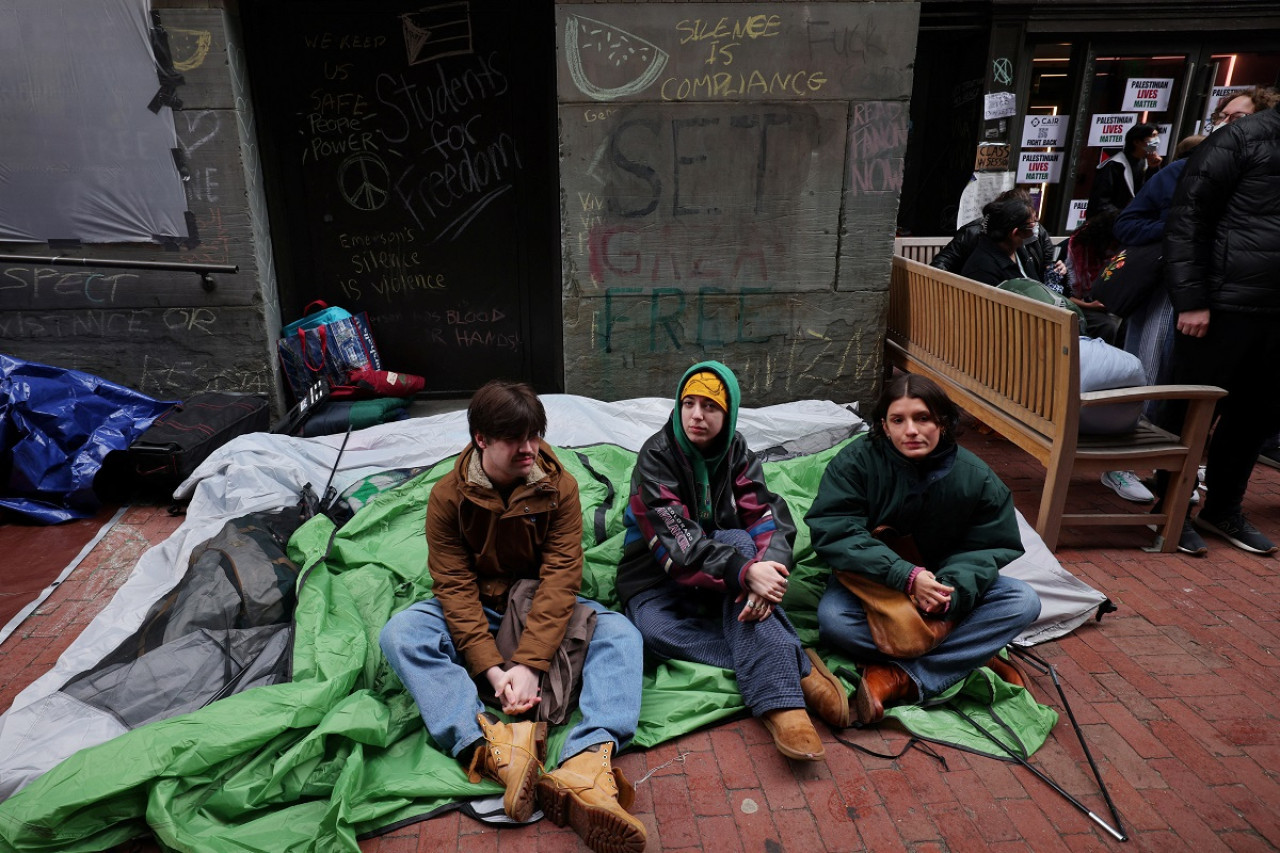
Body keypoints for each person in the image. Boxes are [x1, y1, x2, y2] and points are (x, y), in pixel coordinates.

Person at [379, 380, 647, 852]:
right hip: (479, 605)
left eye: (535, 435)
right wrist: (492, 667)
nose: (530, 449)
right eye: (515, 439)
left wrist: (528, 663)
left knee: (622, 635)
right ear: (481, 439)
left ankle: (586, 765)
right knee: (401, 633)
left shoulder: (558, 486)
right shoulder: (448, 497)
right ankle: (489, 745)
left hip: (539, 602)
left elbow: (562, 575)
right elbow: (454, 587)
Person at [616, 361, 848, 759]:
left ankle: (783, 703)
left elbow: (765, 515)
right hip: (657, 573)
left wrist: (766, 570)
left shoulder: (737, 451)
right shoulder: (655, 457)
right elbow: (678, 543)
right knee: (652, 632)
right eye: (688, 403)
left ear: (729, 413)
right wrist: (745, 574)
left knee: (742, 538)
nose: (696, 415)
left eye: (710, 406)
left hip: (725, 569)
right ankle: (796, 663)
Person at [806, 374, 1041, 724]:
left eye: (923, 418)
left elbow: (990, 545)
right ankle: (971, 653)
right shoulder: (854, 463)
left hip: (945, 590)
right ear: (883, 426)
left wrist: (950, 590)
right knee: (835, 623)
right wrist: (907, 576)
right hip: (874, 583)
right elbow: (835, 530)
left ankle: (901, 678)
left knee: (1023, 602)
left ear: (943, 423)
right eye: (898, 420)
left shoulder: (976, 477)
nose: (911, 430)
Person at [1162, 101, 1280, 556]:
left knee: (1256, 416)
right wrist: (1191, 300)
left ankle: (1224, 508)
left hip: (1275, 313)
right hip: (1223, 304)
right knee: (1191, 412)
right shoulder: (1242, 136)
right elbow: (1188, 218)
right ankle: (1171, 508)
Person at [933, 187, 1066, 289]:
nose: (1035, 228)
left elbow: (1048, 267)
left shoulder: (1020, 247)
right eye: (1032, 223)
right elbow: (939, 267)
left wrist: (1057, 271)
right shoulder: (982, 254)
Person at [1061, 206, 1122, 344]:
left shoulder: (1112, 254)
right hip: (1077, 304)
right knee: (1107, 326)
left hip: (1104, 304)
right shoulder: (1073, 251)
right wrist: (1090, 306)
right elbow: (1061, 294)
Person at [958, 198, 1042, 287]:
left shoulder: (1019, 250)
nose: (1036, 230)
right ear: (1015, 233)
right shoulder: (983, 270)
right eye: (1032, 226)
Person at [1086, 122, 1162, 219]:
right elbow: (1100, 203)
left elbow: (1153, 194)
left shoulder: (1147, 164)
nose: (1157, 141)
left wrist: (1153, 169)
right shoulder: (1114, 165)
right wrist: (1123, 215)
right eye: (1153, 136)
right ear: (1137, 142)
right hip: (1112, 223)